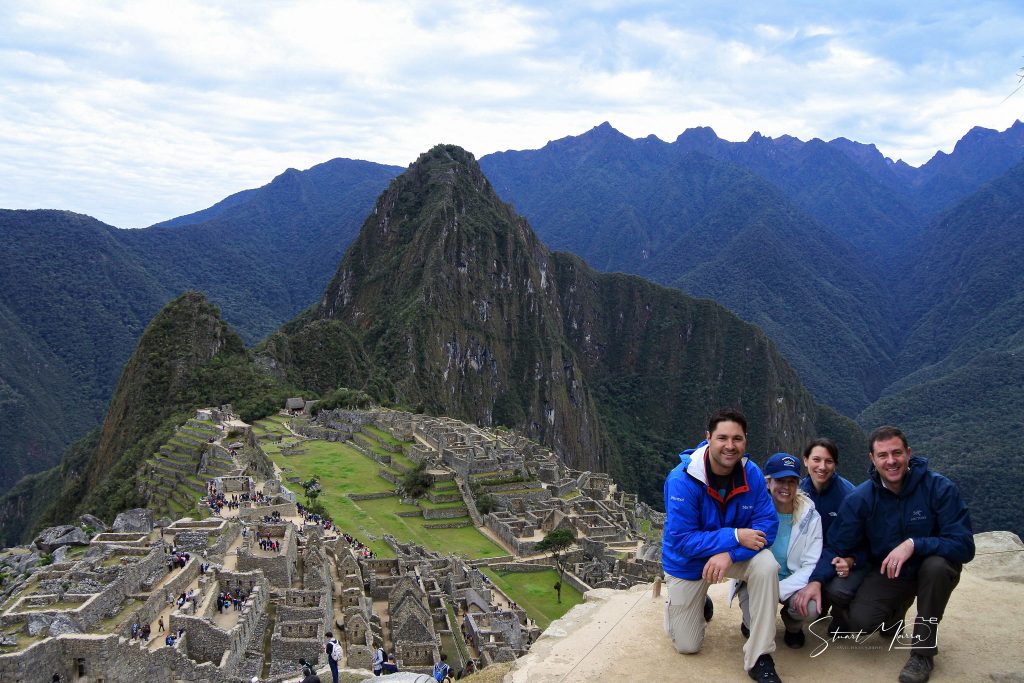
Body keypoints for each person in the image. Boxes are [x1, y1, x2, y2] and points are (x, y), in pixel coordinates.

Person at [804, 426, 975, 683]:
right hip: (891, 573)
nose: (891, 461)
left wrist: (914, 544)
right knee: (860, 622)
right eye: (883, 455)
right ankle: (896, 613)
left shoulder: (938, 488)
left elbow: (964, 546)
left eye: (897, 453)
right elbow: (837, 545)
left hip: (931, 568)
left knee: (937, 567)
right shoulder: (861, 498)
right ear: (872, 459)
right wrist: (817, 580)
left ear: (908, 453)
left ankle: (922, 652)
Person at [661, 409, 782, 683]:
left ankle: (759, 655)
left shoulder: (750, 473)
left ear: (745, 441)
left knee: (766, 565)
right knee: (687, 646)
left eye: (737, 439)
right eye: (722, 438)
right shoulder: (682, 480)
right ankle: (694, 601)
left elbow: (767, 525)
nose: (730, 446)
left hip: (732, 555)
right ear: (708, 438)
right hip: (689, 562)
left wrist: (731, 553)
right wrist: (736, 536)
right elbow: (682, 540)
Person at [731, 453, 823, 649]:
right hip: (756, 578)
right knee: (753, 626)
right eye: (780, 480)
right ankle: (750, 621)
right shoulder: (753, 511)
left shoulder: (811, 516)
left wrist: (776, 592)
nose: (786, 487)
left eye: (792, 481)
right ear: (767, 482)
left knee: (811, 608)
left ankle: (793, 626)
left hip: (794, 580)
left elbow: (811, 563)